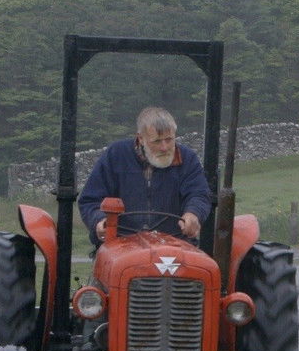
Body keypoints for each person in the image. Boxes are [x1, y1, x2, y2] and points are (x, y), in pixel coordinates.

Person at [78, 106, 212, 248]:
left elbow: (199, 194)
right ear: (141, 138)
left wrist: (193, 214)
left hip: (175, 244)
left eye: (169, 139)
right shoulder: (116, 155)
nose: (165, 147)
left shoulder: (187, 159)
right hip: (121, 244)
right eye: (157, 141)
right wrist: (100, 221)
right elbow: (90, 200)